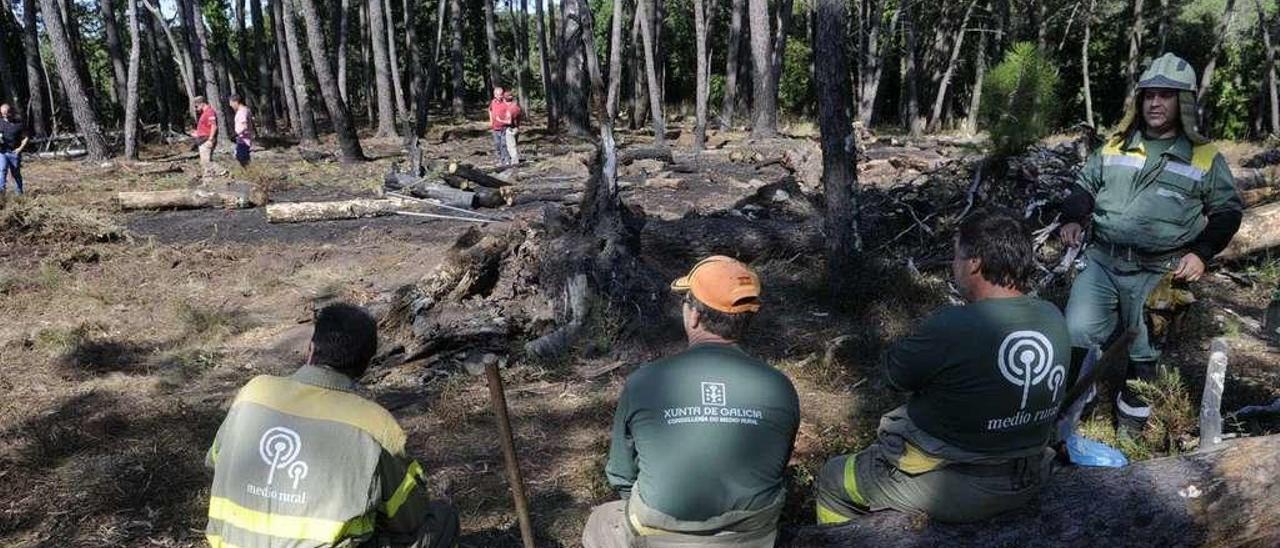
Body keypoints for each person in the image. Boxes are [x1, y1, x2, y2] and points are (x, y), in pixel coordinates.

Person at [815, 210, 1070, 524]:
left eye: (957, 256)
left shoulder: (953, 324)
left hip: (963, 485)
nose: (954, 266)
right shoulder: (1053, 315)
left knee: (833, 478)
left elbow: (896, 374)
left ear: (974, 262)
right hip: (1029, 471)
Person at [1058, 53, 1242, 434]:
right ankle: (1070, 421)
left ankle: (1131, 433)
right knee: (1075, 335)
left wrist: (1201, 253)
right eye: (1149, 95)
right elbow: (1084, 186)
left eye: (1166, 96)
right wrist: (1074, 217)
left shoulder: (1206, 156)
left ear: (1184, 102)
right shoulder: (1116, 145)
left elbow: (1227, 211)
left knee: (1144, 352)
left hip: (1160, 271)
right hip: (1102, 263)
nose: (1155, 103)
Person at [583, 256, 800, 548]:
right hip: (750, 539)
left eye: (685, 301)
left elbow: (621, 474)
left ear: (694, 315)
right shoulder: (781, 387)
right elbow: (775, 465)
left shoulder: (645, 381)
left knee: (600, 521)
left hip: (660, 537)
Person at [205, 303, 459, 548]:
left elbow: (214, 461)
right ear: (365, 365)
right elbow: (409, 516)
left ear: (311, 349)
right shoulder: (374, 424)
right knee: (443, 520)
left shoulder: (254, 392)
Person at [0, 103, 29, 195]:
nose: (5, 116)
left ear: (11, 112)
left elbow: (26, 137)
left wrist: (20, 148)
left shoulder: (19, 123)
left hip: (14, 152)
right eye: (3, 114)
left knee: (15, 173)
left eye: (7, 113)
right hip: (2, 152)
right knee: (2, 170)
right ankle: (1, 193)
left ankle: (19, 194)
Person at [192, 96, 218, 180]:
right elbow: (206, 127)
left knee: (206, 162)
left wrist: (210, 139)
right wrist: (197, 133)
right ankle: (209, 180)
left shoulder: (210, 112)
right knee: (204, 162)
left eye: (196, 106)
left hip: (206, 140)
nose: (196, 109)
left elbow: (213, 126)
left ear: (201, 103)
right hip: (201, 140)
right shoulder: (204, 113)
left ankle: (220, 173)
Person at [229, 94, 253, 169]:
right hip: (244, 138)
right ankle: (248, 171)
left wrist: (236, 134)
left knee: (241, 157)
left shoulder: (242, 111)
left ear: (236, 102)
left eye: (231, 104)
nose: (231, 106)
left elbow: (244, 125)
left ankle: (248, 172)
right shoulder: (245, 109)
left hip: (243, 139)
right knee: (241, 156)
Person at [488, 87, 510, 167]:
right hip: (495, 128)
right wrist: (491, 121)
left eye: (501, 94)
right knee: (497, 144)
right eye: (499, 95)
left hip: (504, 127)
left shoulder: (505, 103)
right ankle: (500, 159)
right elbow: (490, 110)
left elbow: (509, 114)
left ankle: (506, 160)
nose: (501, 96)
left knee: (504, 144)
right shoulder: (493, 102)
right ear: (495, 95)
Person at [502, 91, 522, 165]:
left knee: (511, 147)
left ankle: (515, 162)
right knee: (514, 145)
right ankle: (514, 160)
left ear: (505, 99)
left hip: (510, 129)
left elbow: (508, 121)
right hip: (516, 128)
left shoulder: (509, 109)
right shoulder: (517, 107)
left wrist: (499, 120)